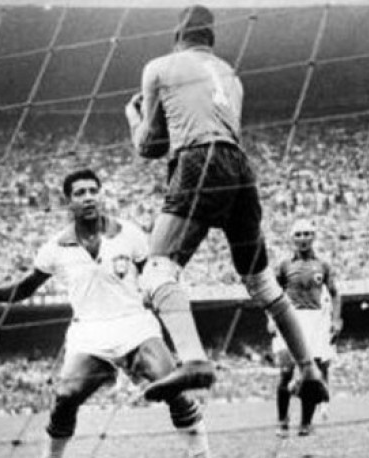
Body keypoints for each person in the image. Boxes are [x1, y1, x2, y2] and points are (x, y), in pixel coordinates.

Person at [0, 168, 225, 458]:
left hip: (135, 325)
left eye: (92, 190)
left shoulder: (129, 235)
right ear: (68, 202)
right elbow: (22, 290)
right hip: (89, 332)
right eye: (80, 193)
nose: (88, 197)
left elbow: (155, 275)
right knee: (64, 397)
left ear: (101, 195)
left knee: (173, 386)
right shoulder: (55, 248)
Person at [124, 4, 328, 406]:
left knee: (157, 272)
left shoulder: (160, 67)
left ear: (177, 36)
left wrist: (133, 116)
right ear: (211, 38)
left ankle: (194, 360)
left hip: (199, 161)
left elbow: (149, 146)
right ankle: (309, 370)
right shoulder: (231, 75)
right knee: (263, 284)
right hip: (240, 168)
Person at [270, 220, 342, 437]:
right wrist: (271, 319)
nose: (303, 239)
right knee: (286, 371)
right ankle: (282, 421)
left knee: (311, 373)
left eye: (307, 234)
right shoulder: (284, 265)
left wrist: (336, 320)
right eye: (298, 234)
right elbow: (272, 294)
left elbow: (335, 293)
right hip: (289, 318)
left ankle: (305, 423)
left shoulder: (323, 265)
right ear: (292, 238)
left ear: (313, 237)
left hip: (314, 320)